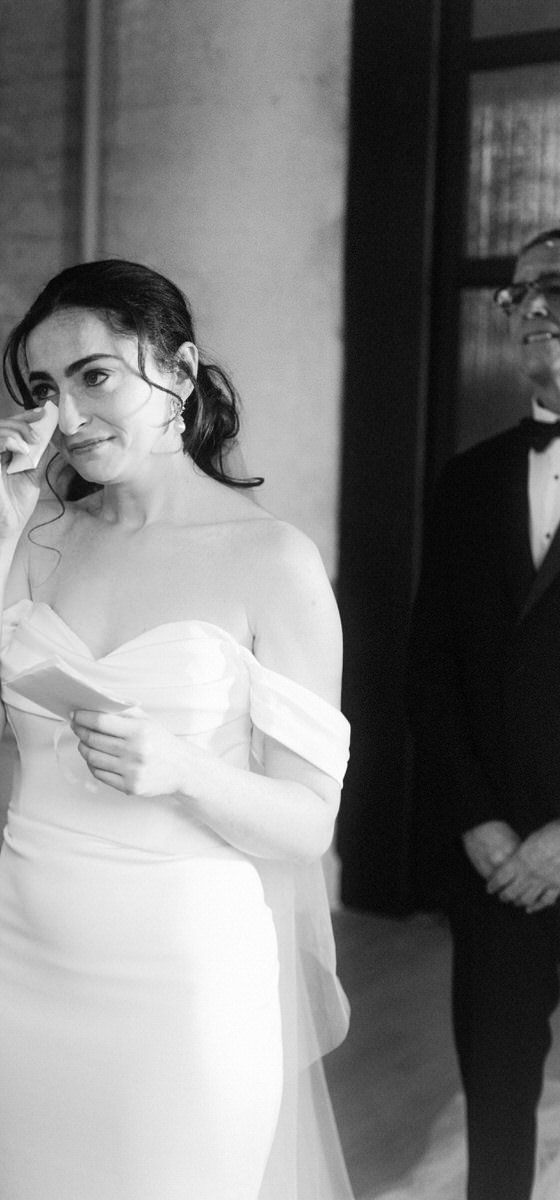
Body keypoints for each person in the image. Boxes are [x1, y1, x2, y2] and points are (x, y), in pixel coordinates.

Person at [0, 258, 353, 1200]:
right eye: (45, 388)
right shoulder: (34, 542)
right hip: (25, 969)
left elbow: (308, 823)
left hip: (188, 988)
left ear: (182, 373)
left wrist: (182, 771)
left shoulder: (272, 559)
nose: (67, 416)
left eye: (95, 375)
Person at [408, 229, 560, 1200]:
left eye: (552, 289)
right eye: (517, 299)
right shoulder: (465, 482)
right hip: (494, 859)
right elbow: (430, 668)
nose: (530, 315)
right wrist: (476, 820)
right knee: (495, 1097)